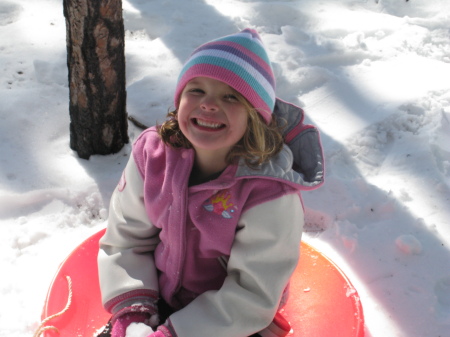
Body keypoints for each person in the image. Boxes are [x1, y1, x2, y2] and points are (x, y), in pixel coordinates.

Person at [97, 28, 324, 337]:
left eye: (230, 96)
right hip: (156, 295)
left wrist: (177, 333)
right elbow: (126, 237)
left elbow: (253, 291)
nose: (208, 104)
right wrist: (133, 307)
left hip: (230, 319)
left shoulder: (269, 193)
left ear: (254, 116)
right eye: (197, 90)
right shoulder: (153, 157)